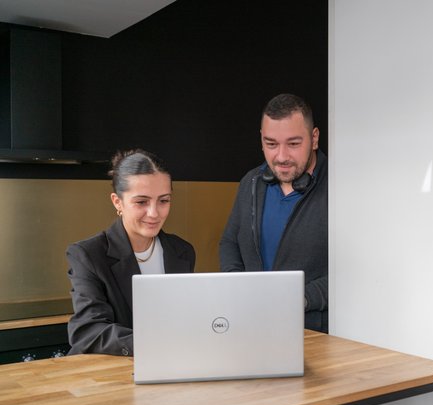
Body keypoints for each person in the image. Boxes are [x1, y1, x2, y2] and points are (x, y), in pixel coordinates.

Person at [66, 149, 196, 356]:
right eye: (141, 202)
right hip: (111, 371)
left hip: (167, 364)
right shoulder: (87, 255)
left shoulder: (182, 251)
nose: (154, 213)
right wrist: (154, 345)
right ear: (117, 202)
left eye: (163, 200)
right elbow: (88, 332)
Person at [219, 93, 328, 333]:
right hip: (252, 326)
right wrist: (236, 285)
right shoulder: (250, 182)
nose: (281, 156)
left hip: (314, 333)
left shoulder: (340, 188)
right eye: (271, 144)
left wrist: (302, 298)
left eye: (293, 144)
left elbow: (355, 272)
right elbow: (229, 242)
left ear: (314, 138)